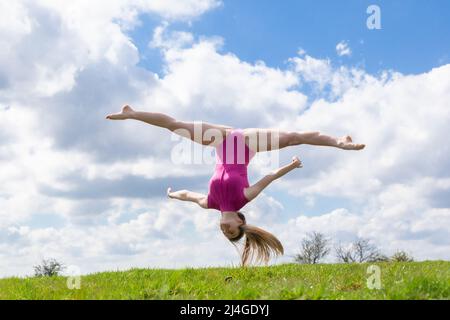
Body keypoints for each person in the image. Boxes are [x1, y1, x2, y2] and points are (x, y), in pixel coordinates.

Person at [106, 105, 365, 266]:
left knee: (176, 127)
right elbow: (269, 178)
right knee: (292, 138)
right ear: (241, 223)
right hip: (246, 143)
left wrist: (173, 195)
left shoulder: (211, 203)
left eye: (224, 233)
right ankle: (339, 141)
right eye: (231, 232)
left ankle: (132, 113)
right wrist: (290, 166)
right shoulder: (243, 199)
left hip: (220, 140)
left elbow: (189, 196)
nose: (225, 230)